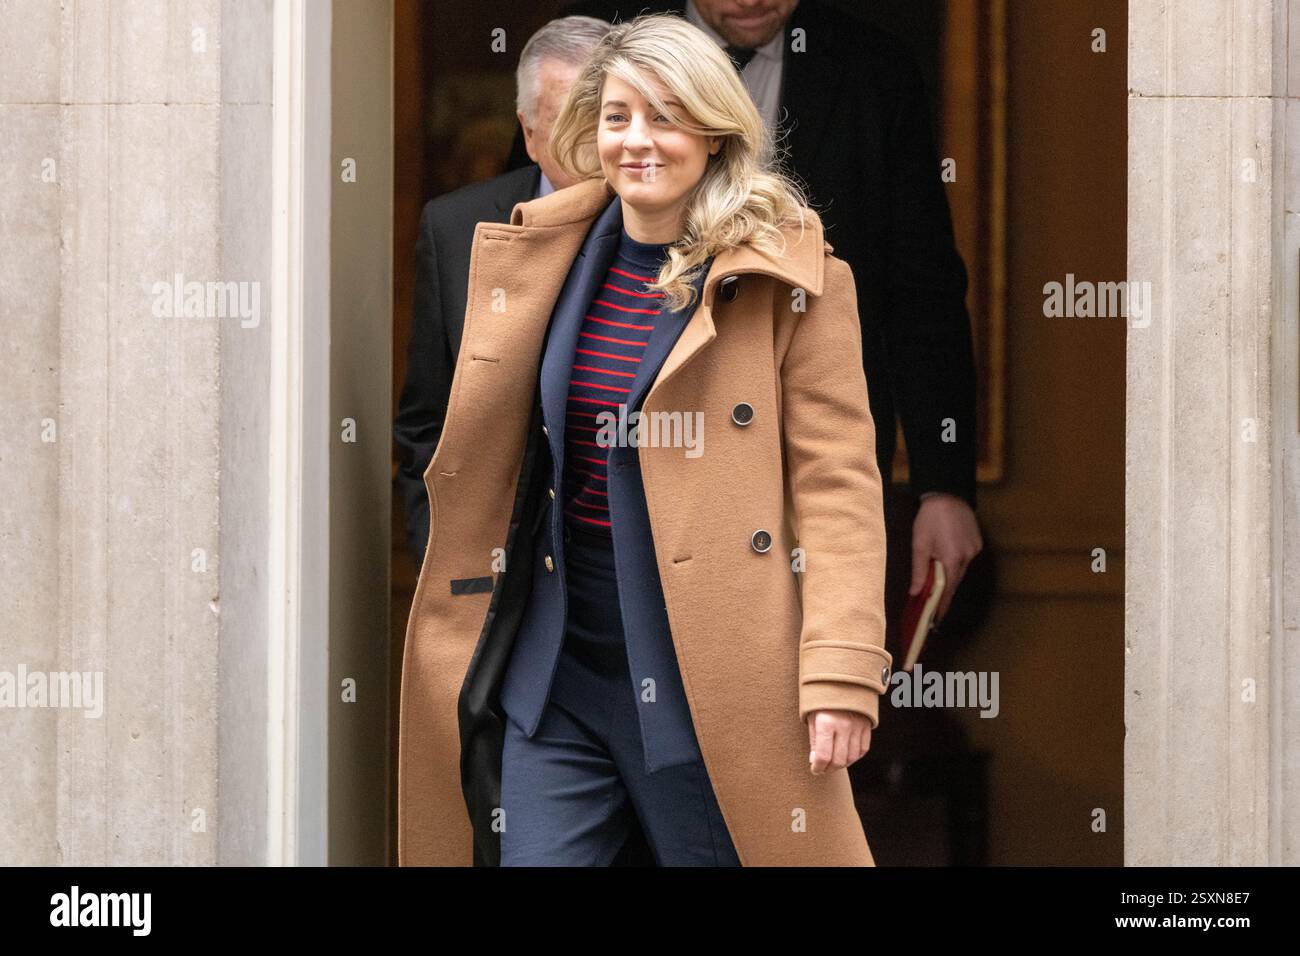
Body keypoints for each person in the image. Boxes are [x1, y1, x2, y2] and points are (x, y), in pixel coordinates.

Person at [398, 12, 892, 866]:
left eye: (665, 116)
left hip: (711, 678)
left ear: (712, 130)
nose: (638, 141)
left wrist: (843, 671)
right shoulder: (542, 255)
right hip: (559, 677)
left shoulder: (794, 280)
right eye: (618, 116)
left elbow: (838, 488)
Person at [506, 0, 984, 625]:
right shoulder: (605, 48)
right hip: (598, 550)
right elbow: (532, 214)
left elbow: (922, 287)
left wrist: (941, 482)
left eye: (670, 118)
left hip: (787, 480)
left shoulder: (874, 70)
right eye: (617, 119)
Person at [393, 16, 610, 569]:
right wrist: (448, 561)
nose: (595, 145)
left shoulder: (669, 223)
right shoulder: (455, 227)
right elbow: (429, 421)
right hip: (499, 564)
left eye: (605, 118)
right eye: (567, 123)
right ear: (529, 132)